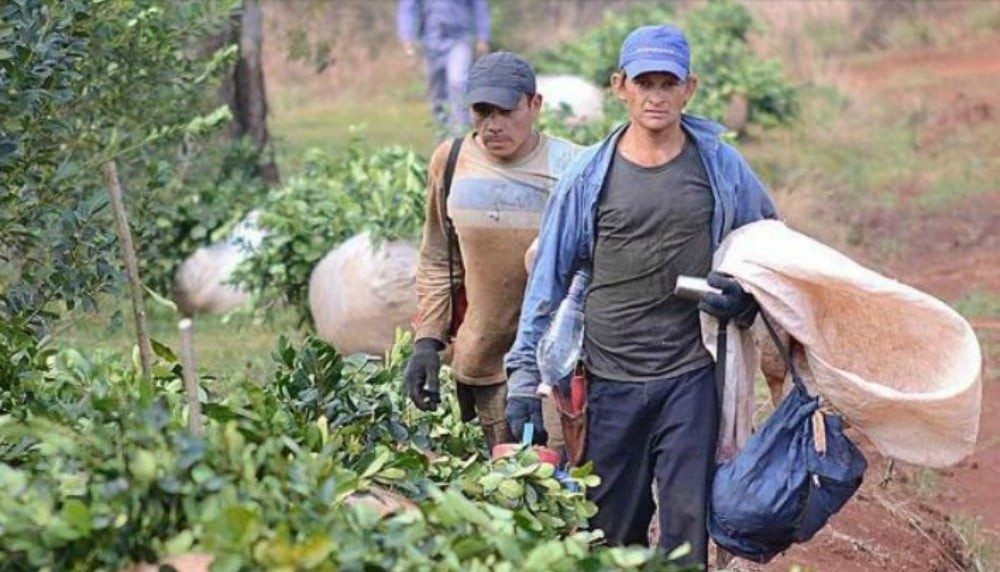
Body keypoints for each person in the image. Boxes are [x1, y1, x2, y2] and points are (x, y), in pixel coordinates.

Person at [504, 25, 777, 568]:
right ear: (619, 86)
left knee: (684, 533)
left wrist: (744, 300)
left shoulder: (720, 168)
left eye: (667, 83)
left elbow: (769, 244)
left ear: (689, 89)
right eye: (643, 82)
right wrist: (521, 380)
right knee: (611, 531)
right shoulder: (588, 176)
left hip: (691, 377)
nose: (655, 95)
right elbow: (548, 282)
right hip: (609, 379)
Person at [404, 52, 580, 451]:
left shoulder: (572, 166)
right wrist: (427, 342)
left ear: (535, 105)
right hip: (480, 362)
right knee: (496, 492)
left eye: (506, 111)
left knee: (553, 485)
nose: (492, 125)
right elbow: (437, 258)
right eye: (482, 112)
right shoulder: (450, 162)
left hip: (551, 370)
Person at [397, 0, 491, 135]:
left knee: (458, 82)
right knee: (437, 94)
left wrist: (483, 36)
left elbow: (479, 6)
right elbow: (407, 9)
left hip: (459, 39)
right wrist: (407, 38)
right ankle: (442, 135)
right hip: (430, 41)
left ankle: (460, 134)